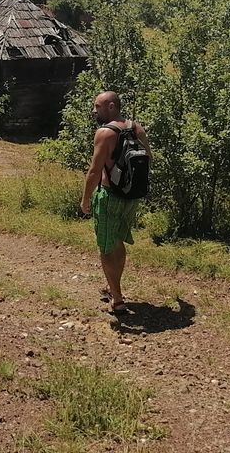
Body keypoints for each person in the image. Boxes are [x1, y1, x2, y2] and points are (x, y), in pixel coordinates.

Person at [80, 90, 149, 315]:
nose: (94, 111)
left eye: (97, 106)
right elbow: (149, 158)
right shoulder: (136, 128)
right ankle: (113, 287)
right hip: (132, 197)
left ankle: (117, 299)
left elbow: (94, 171)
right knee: (117, 241)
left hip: (110, 196)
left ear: (111, 106)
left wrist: (85, 199)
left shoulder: (104, 133)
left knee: (106, 247)